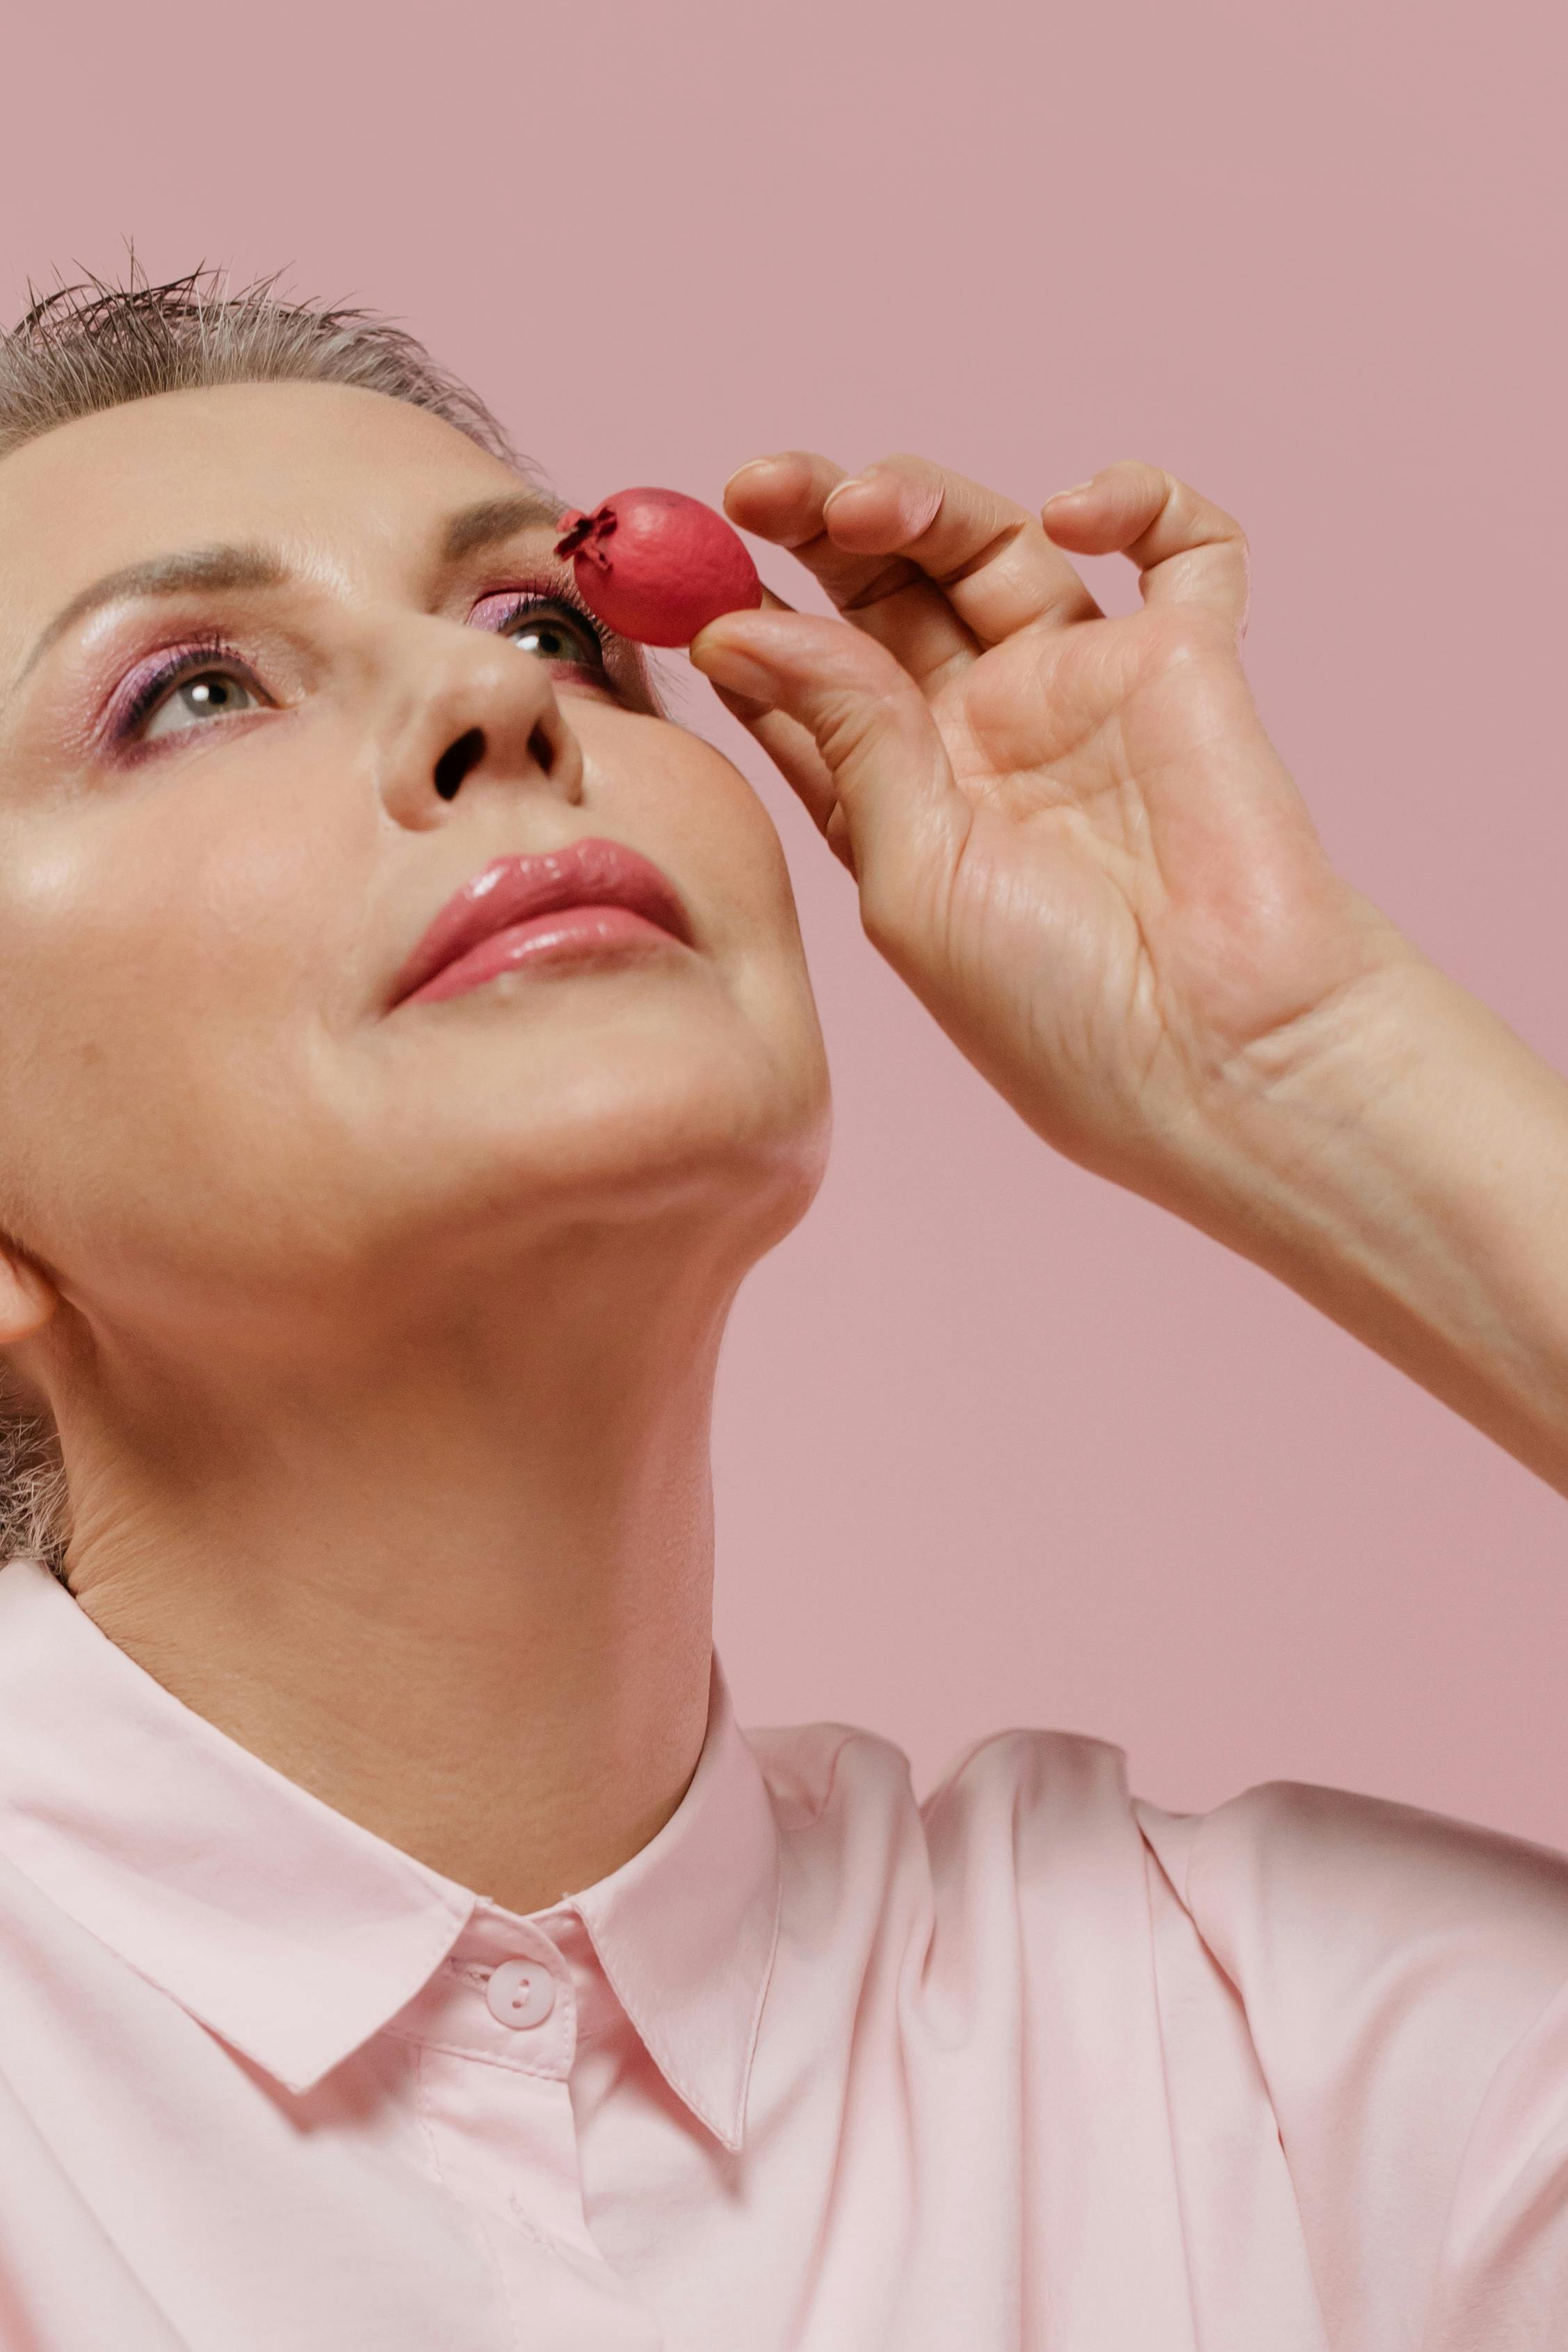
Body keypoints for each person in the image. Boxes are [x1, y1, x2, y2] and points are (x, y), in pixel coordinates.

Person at [0, 268, 1563, 2352]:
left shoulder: (1275, 2067)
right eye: (194, 692)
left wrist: (1303, 1067)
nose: (499, 708)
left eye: (547, 626)